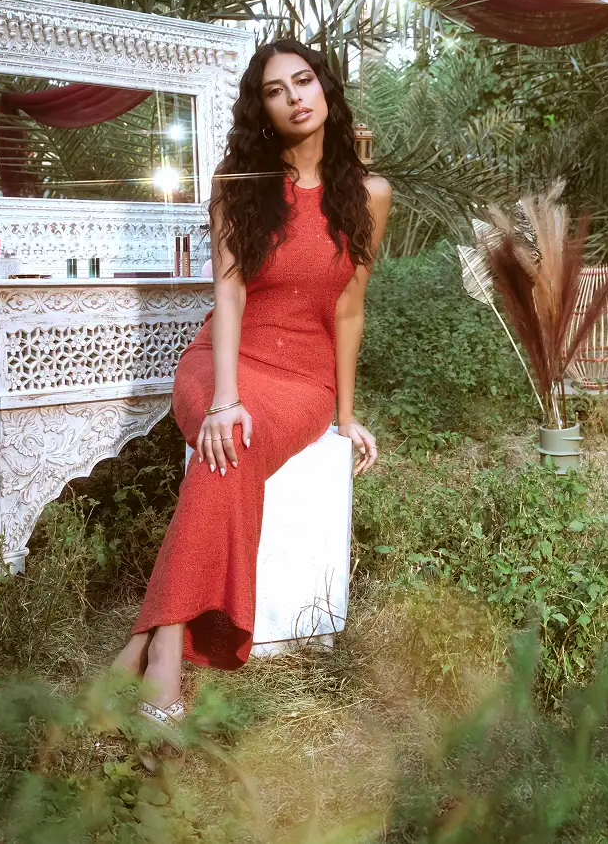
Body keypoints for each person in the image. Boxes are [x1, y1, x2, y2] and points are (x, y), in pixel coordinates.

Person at [110, 38, 392, 763]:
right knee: (225, 440)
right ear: (261, 108)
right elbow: (229, 292)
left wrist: (344, 415)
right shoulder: (238, 182)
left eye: (305, 81)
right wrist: (223, 399)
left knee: (227, 454)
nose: (296, 96)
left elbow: (350, 311)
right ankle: (168, 649)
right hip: (222, 362)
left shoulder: (370, 194)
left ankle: (150, 636)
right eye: (276, 89)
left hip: (302, 380)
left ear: (326, 90)